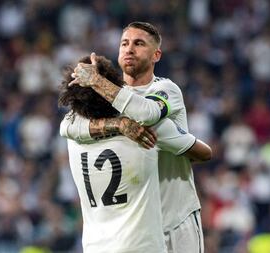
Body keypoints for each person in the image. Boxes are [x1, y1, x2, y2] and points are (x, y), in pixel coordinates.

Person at [61, 21, 211, 253]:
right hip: (137, 227)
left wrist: (96, 81)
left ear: (156, 55)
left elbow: (147, 114)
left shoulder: (165, 90)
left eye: (139, 44)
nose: (129, 49)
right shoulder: (109, 100)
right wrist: (119, 125)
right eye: (125, 43)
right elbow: (67, 126)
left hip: (176, 219)